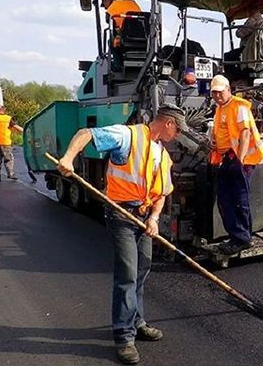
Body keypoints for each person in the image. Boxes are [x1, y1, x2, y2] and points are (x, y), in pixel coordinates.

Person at [56, 104, 187, 365]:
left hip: (144, 217)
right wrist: (68, 158)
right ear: (169, 123)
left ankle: (137, 322)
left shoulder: (162, 153)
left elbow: (162, 191)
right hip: (121, 216)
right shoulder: (128, 136)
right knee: (127, 275)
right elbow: (85, 133)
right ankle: (124, 337)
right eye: (178, 130)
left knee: (142, 270)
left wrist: (154, 218)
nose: (178, 136)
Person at [209, 75, 263, 255]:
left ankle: (243, 238)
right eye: (214, 93)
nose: (217, 96)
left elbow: (245, 133)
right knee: (226, 199)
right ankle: (236, 236)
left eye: (220, 92)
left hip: (240, 160)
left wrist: (239, 160)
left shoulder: (238, 106)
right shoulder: (220, 109)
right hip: (227, 157)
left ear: (228, 90)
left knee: (238, 199)